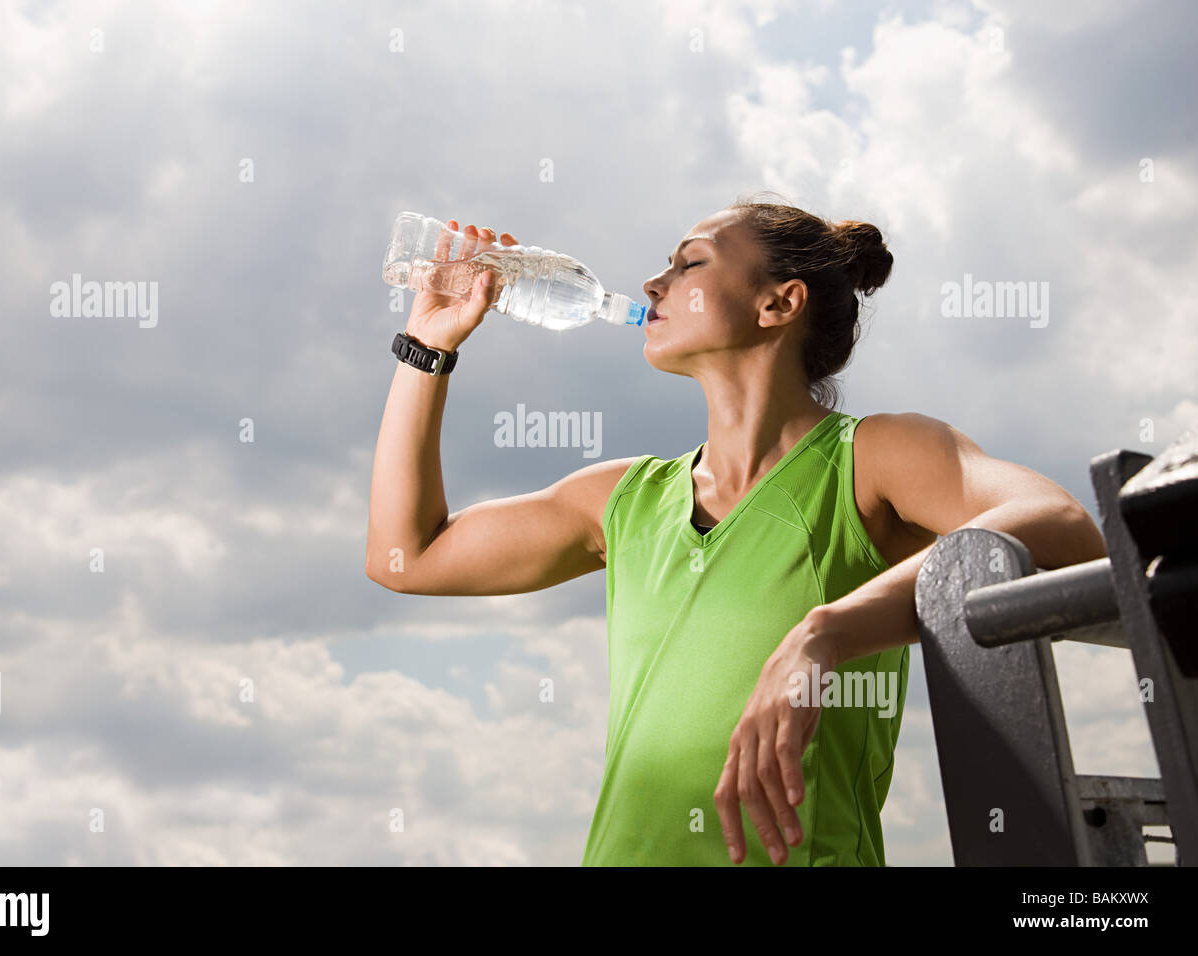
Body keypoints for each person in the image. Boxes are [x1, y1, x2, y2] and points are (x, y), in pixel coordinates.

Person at [364, 193, 1108, 866]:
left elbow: (1065, 528)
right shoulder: (623, 500)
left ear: (779, 303)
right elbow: (406, 556)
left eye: (689, 263)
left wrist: (827, 632)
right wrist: (427, 348)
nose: (653, 284)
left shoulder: (872, 458)